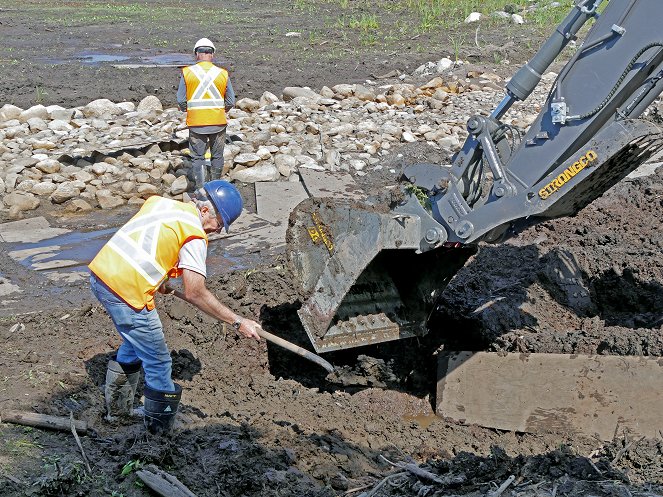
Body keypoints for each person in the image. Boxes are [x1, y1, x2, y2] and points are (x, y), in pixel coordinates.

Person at [88, 180, 262, 435]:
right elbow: (195, 291)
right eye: (220, 224)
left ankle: (118, 412)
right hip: (127, 291)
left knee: (136, 343)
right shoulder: (193, 233)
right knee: (158, 361)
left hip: (101, 276)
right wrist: (237, 321)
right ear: (204, 211)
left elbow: (147, 243)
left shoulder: (161, 204)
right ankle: (158, 433)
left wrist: (160, 278)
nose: (217, 231)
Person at [177, 37, 235, 189]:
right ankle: (215, 187)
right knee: (217, 156)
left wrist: (190, 110)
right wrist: (220, 111)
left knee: (198, 157)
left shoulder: (187, 72)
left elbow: (181, 100)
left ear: (196, 54)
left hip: (196, 123)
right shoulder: (222, 73)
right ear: (212, 54)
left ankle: (201, 189)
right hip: (218, 122)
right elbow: (230, 101)